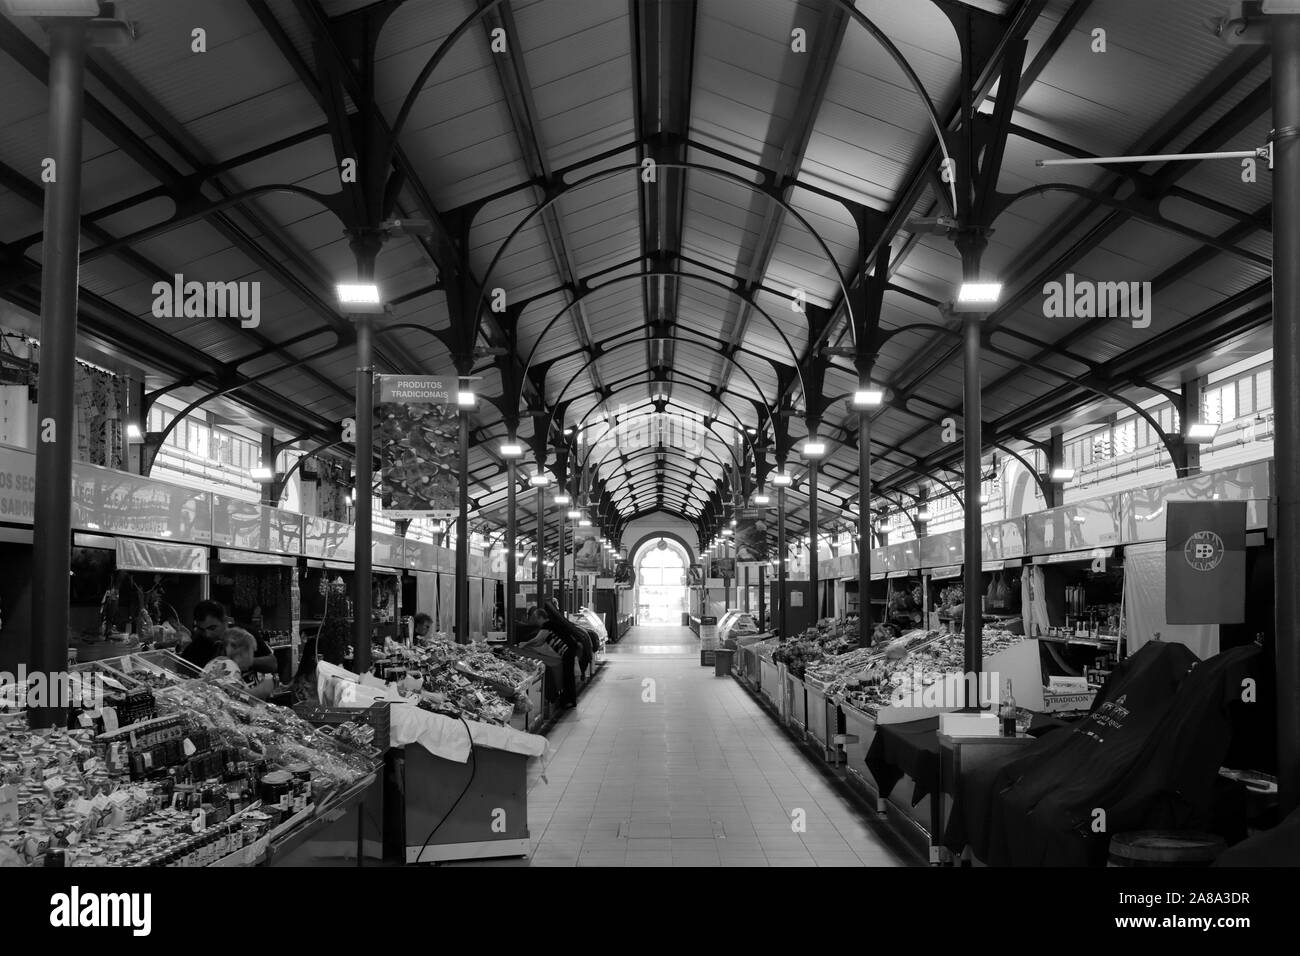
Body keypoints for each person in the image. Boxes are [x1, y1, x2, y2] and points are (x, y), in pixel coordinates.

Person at [182, 600, 276, 674]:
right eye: (202, 630)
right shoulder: (197, 645)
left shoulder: (244, 634)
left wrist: (246, 661)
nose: (207, 634)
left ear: (225, 621)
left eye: (212, 628)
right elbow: (182, 671)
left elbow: (272, 664)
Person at [221, 628, 275, 700]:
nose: (252, 657)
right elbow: (235, 697)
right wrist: (262, 690)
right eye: (252, 651)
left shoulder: (225, 663)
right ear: (242, 651)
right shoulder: (227, 665)